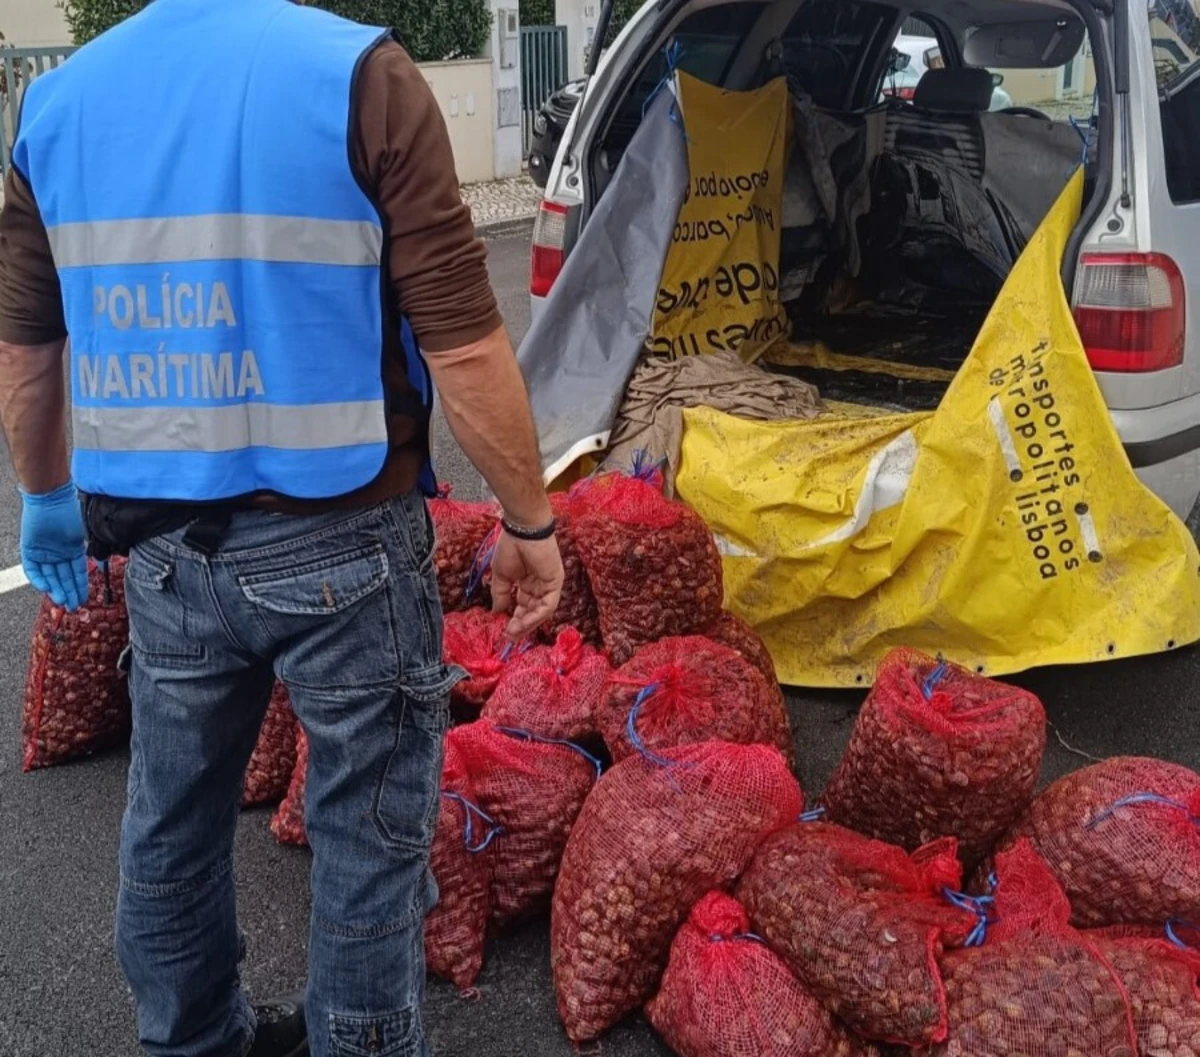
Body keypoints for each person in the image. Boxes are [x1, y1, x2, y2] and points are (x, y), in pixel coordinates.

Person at [0, 0, 564, 1054]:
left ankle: (191, 1039)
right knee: (369, 842)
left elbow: (27, 347)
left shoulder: (57, 104)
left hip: (165, 555)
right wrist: (529, 520)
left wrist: (44, 496)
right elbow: (464, 345)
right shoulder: (358, 75)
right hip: (346, 542)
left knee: (171, 823)